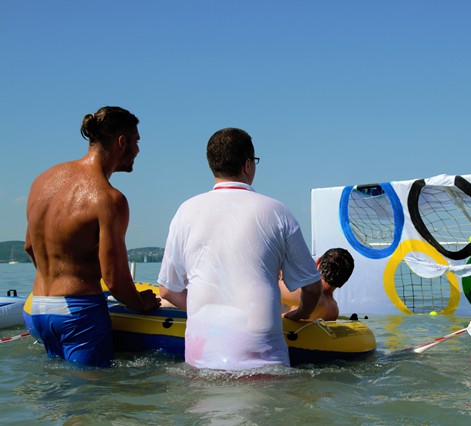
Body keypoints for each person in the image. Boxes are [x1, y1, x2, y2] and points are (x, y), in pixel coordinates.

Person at [157, 127, 322, 371]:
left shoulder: (185, 211)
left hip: (202, 361)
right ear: (247, 165)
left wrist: (211, 316)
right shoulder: (276, 211)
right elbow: (312, 287)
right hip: (264, 361)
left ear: (212, 165)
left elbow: (168, 290)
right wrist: (300, 313)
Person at [23, 106, 161, 368]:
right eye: (136, 141)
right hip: (79, 312)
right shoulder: (109, 199)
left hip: (38, 308)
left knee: (57, 390)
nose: (138, 150)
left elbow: (30, 246)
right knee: (91, 391)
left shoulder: (43, 181)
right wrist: (141, 303)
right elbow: (115, 280)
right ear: (122, 142)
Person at [279, 248, 354, 321]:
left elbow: (273, 286)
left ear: (317, 263)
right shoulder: (333, 311)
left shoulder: (304, 289)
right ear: (343, 283)